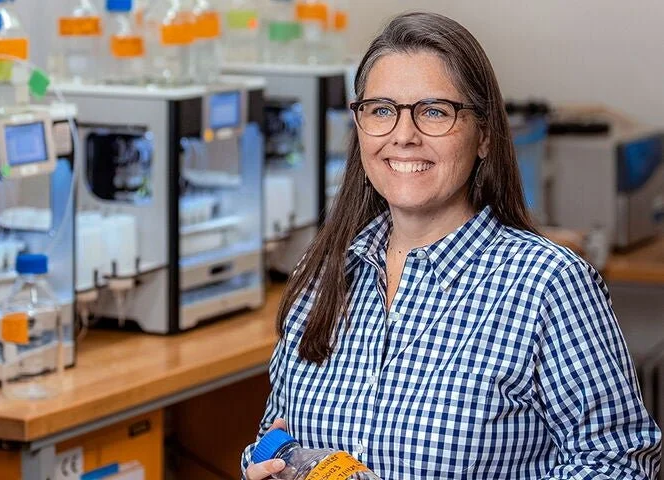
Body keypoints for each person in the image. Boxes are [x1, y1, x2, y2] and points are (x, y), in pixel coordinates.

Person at [242, 11, 662, 480]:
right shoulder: (320, 274)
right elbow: (275, 436)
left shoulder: (548, 285)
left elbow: (618, 465)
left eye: (434, 112)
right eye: (381, 110)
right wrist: (266, 467)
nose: (403, 135)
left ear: (483, 134)